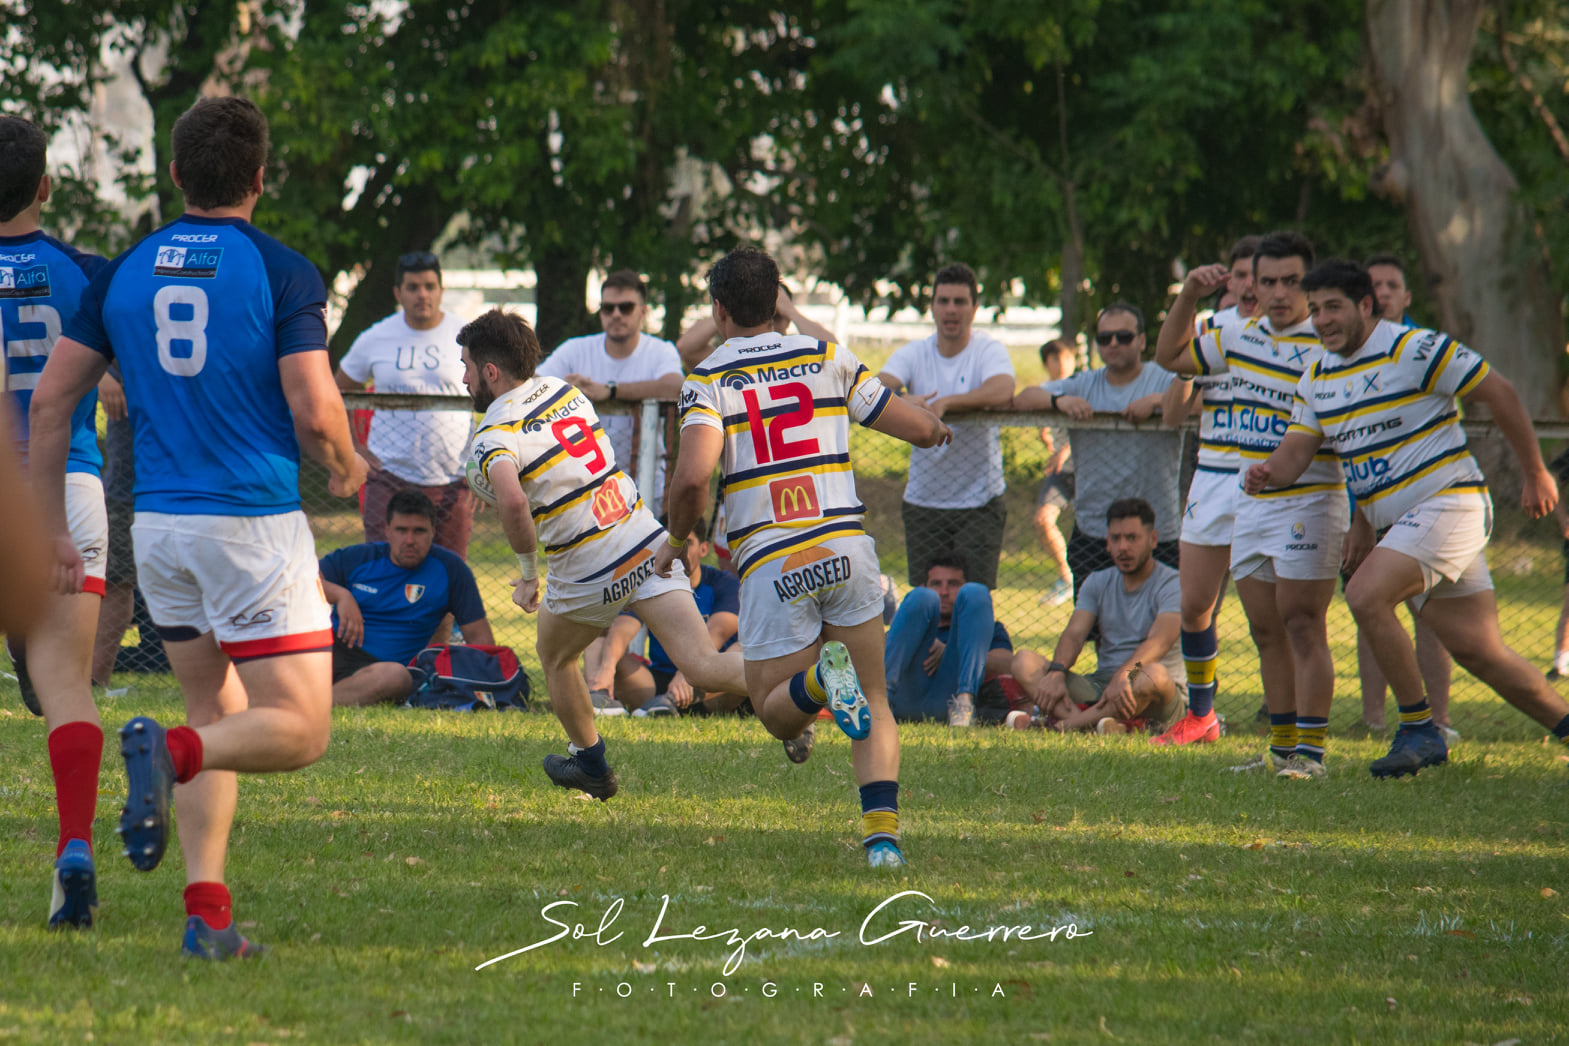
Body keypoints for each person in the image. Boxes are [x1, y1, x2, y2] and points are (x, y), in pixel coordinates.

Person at [32, 96, 369, 958]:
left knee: (213, 705)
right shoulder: (283, 270)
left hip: (160, 532)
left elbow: (50, 401)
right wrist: (345, 461)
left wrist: (50, 525)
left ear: (176, 173)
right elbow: (311, 399)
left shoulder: (125, 269)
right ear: (260, 178)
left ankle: (206, 916)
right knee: (298, 728)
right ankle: (170, 752)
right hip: (249, 528)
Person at [660, 245, 951, 868]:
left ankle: (821, 681)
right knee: (874, 698)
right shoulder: (827, 356)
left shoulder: (708, 378)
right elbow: (918, 428)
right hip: (846, 549)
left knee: (774, 712)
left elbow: (691, 481)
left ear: (718, 311)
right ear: (778, 304)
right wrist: (934, 426)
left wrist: (676, 534)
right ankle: (882, 843)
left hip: (773, 559)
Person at [1247, 258, 1569, 777]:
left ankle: (1419, 729)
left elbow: (1500, 393)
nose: (1323, 319)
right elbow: (1294, 457)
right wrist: (1267, 473)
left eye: (1334, 307)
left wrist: (1535, 471)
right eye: (1317, 310)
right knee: (1480, 652)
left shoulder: (1414, 348)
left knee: (1365, 594)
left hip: (1450, 503)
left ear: (1366, 306)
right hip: (1407, 524)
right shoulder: (1317, 376)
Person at [459, 309, 747, 802]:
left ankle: (590, 763)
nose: (463, 377)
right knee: (701, 663)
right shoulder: (564, 391)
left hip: (587, 566)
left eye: (466, 365)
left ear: (490, 372)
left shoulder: (491, 437)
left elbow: (510, 501)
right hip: (643, 538)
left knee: (555, 656)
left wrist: (529, 575)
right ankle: (807, 679)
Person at [1155, 230, 1347, 779]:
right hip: (1252, 495)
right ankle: (1282, 749)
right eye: (1268, 281)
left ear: (1308, 285)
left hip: (1312, 498)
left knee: (1304, 624)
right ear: (1252, 285)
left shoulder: (1330, 343)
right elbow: (1169, 355)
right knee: (1264, 628)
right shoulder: (1235, 335)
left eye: (1292, 281)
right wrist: (1189, 295)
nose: (1280, 293)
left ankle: (1311, 753)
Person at [0, 114, 111, 929]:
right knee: (67, 683)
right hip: (67, 484)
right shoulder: (88, 274)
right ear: (46, 185)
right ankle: (74, 844)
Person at [1148, 235, 1258, 745]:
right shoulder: (1211, 330)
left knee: (1278, 612)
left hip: (1271, 478)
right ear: (1227, 281)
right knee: (1195, 604)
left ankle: (1297, 720)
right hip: (1212, 475)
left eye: (1260, 275)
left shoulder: (1294, 336)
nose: (1249, 285)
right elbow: (1173, 416)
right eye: (1239, 275)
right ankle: (1203, 715)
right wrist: (1187, 368)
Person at [1349, 253, 1456, 739]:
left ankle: (1439, 718)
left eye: (1394, 284)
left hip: (1427, 505)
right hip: (1367, 508)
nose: (1385, 292)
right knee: (1369, 609)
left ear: (1406, 297)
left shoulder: (1424, 349)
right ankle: (1373, 717)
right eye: (1376, 285)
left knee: (1429, 614)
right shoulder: (1343, 355)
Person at [1016, 303, 1181, 593]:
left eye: (1124, 336)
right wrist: (1059, 402)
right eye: (1105, 338)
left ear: (1142, 341)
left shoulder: (1164, 380)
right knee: (1096, 630)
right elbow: (1023, 399)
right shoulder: (1083, 384)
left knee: (1161, 629)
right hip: (1095, 533)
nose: (1113, 343)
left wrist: (1157, 401)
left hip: (1156, 533)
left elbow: (1203, 398)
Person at [877, 263, 1015, 589]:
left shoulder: (987, 349)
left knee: (973, 599)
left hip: (980, 502)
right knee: (926, 601)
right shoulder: (915, 352)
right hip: (925, 502)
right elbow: (878, 385)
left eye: (960, 301)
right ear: (932, 307)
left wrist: (947, 403)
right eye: (943, 301)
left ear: (975, 308)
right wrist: (909, 400)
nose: (951, 310)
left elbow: (1003, 388)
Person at [335, 250, 474, 557]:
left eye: (429, 286)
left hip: (453, 480)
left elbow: (497, 397)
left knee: (448, 577)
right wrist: (353, 447)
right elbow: (336, 392)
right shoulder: (377, 337)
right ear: (398, 293)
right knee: (384, 570)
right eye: (413, 287)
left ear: (441, 290)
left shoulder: (467, 336)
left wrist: (482, 461)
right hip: (389, 477)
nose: (422, 294)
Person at [1011, 499, 1186, 734]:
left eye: (1132, 538)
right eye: (1116, 539)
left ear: (1153, 540)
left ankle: (1067, 725)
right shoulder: (1097, 581)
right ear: (1107, 543)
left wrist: (1126, 674)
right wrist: (1056, 672)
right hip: (1103, 685)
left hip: (1152, 686)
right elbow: (1074, 635)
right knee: (1024, 662)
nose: (1123, 547)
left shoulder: (1173, 583)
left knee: (1152, 674)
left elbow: (1159, 642)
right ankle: (1102, 726)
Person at [319, 490, 493, 707]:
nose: (409, 540)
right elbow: (301, 580)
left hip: (384, 671)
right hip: (330, 654)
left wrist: (489, 684)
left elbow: (480, 638)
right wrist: (341, 595)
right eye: (401, 530)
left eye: (419, 531)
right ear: (387, 531)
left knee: (396, 677)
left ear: (433, 532)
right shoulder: (357, 558)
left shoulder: (451, 569)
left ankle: (314, 706)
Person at [538, 270, 683, 506]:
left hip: (643, 488)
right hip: (582, 490)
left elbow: (676, 388)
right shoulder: (576, 349)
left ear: (643, 311)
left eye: (625, 307)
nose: (616, 315)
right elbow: (533, 384)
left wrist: (611, 391)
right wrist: (562, 389)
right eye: (607, 308)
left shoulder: (660, 351)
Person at [586, 528, 745, 720]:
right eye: (669, 544)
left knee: (745, 649)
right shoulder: (650, 581)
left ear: (704, 549)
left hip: (708, 685)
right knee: (599, 643)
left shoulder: (724, 583)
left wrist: (690, 672)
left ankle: (669, 702)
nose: (678, 552)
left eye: (686, 543)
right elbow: (624, 626)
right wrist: (607, 667)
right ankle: (599, 698)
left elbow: (718, 631)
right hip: (657, 682)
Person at [883, 553, 1013, 725]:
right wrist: (915, 644)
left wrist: (953, 652)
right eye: (936, 584)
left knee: (978, 592)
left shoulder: (986, 626)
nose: (944, 592)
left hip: (950, 701)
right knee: (921, 597)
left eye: (953, 584)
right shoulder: (913, 622)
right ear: (925, 584)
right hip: (905, 696)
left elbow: (1007, 664)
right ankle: (881, 703)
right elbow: (881, 651)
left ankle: (965, 702)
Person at [677, 281, 839, 371]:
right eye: (759, 314)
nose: (766, 323)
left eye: (774, 316)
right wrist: (731, 308)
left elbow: (835, 352)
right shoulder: (729, 358)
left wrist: (791, 311)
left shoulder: (798, 356)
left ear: (787, 320)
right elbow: (687, 348)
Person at [1033, 339, 1077, 607]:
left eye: (1067, 358)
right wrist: (1050, 443)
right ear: (1046, 364)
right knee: (1042, 519)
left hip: (1085, 467)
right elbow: (1040, 425)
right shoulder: (1044, 391)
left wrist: (1065, 449)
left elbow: (1086, 427)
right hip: (1062, 470)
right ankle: (1067, 578)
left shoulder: (1081, 386)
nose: (1062, 364)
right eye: (1055, 359)